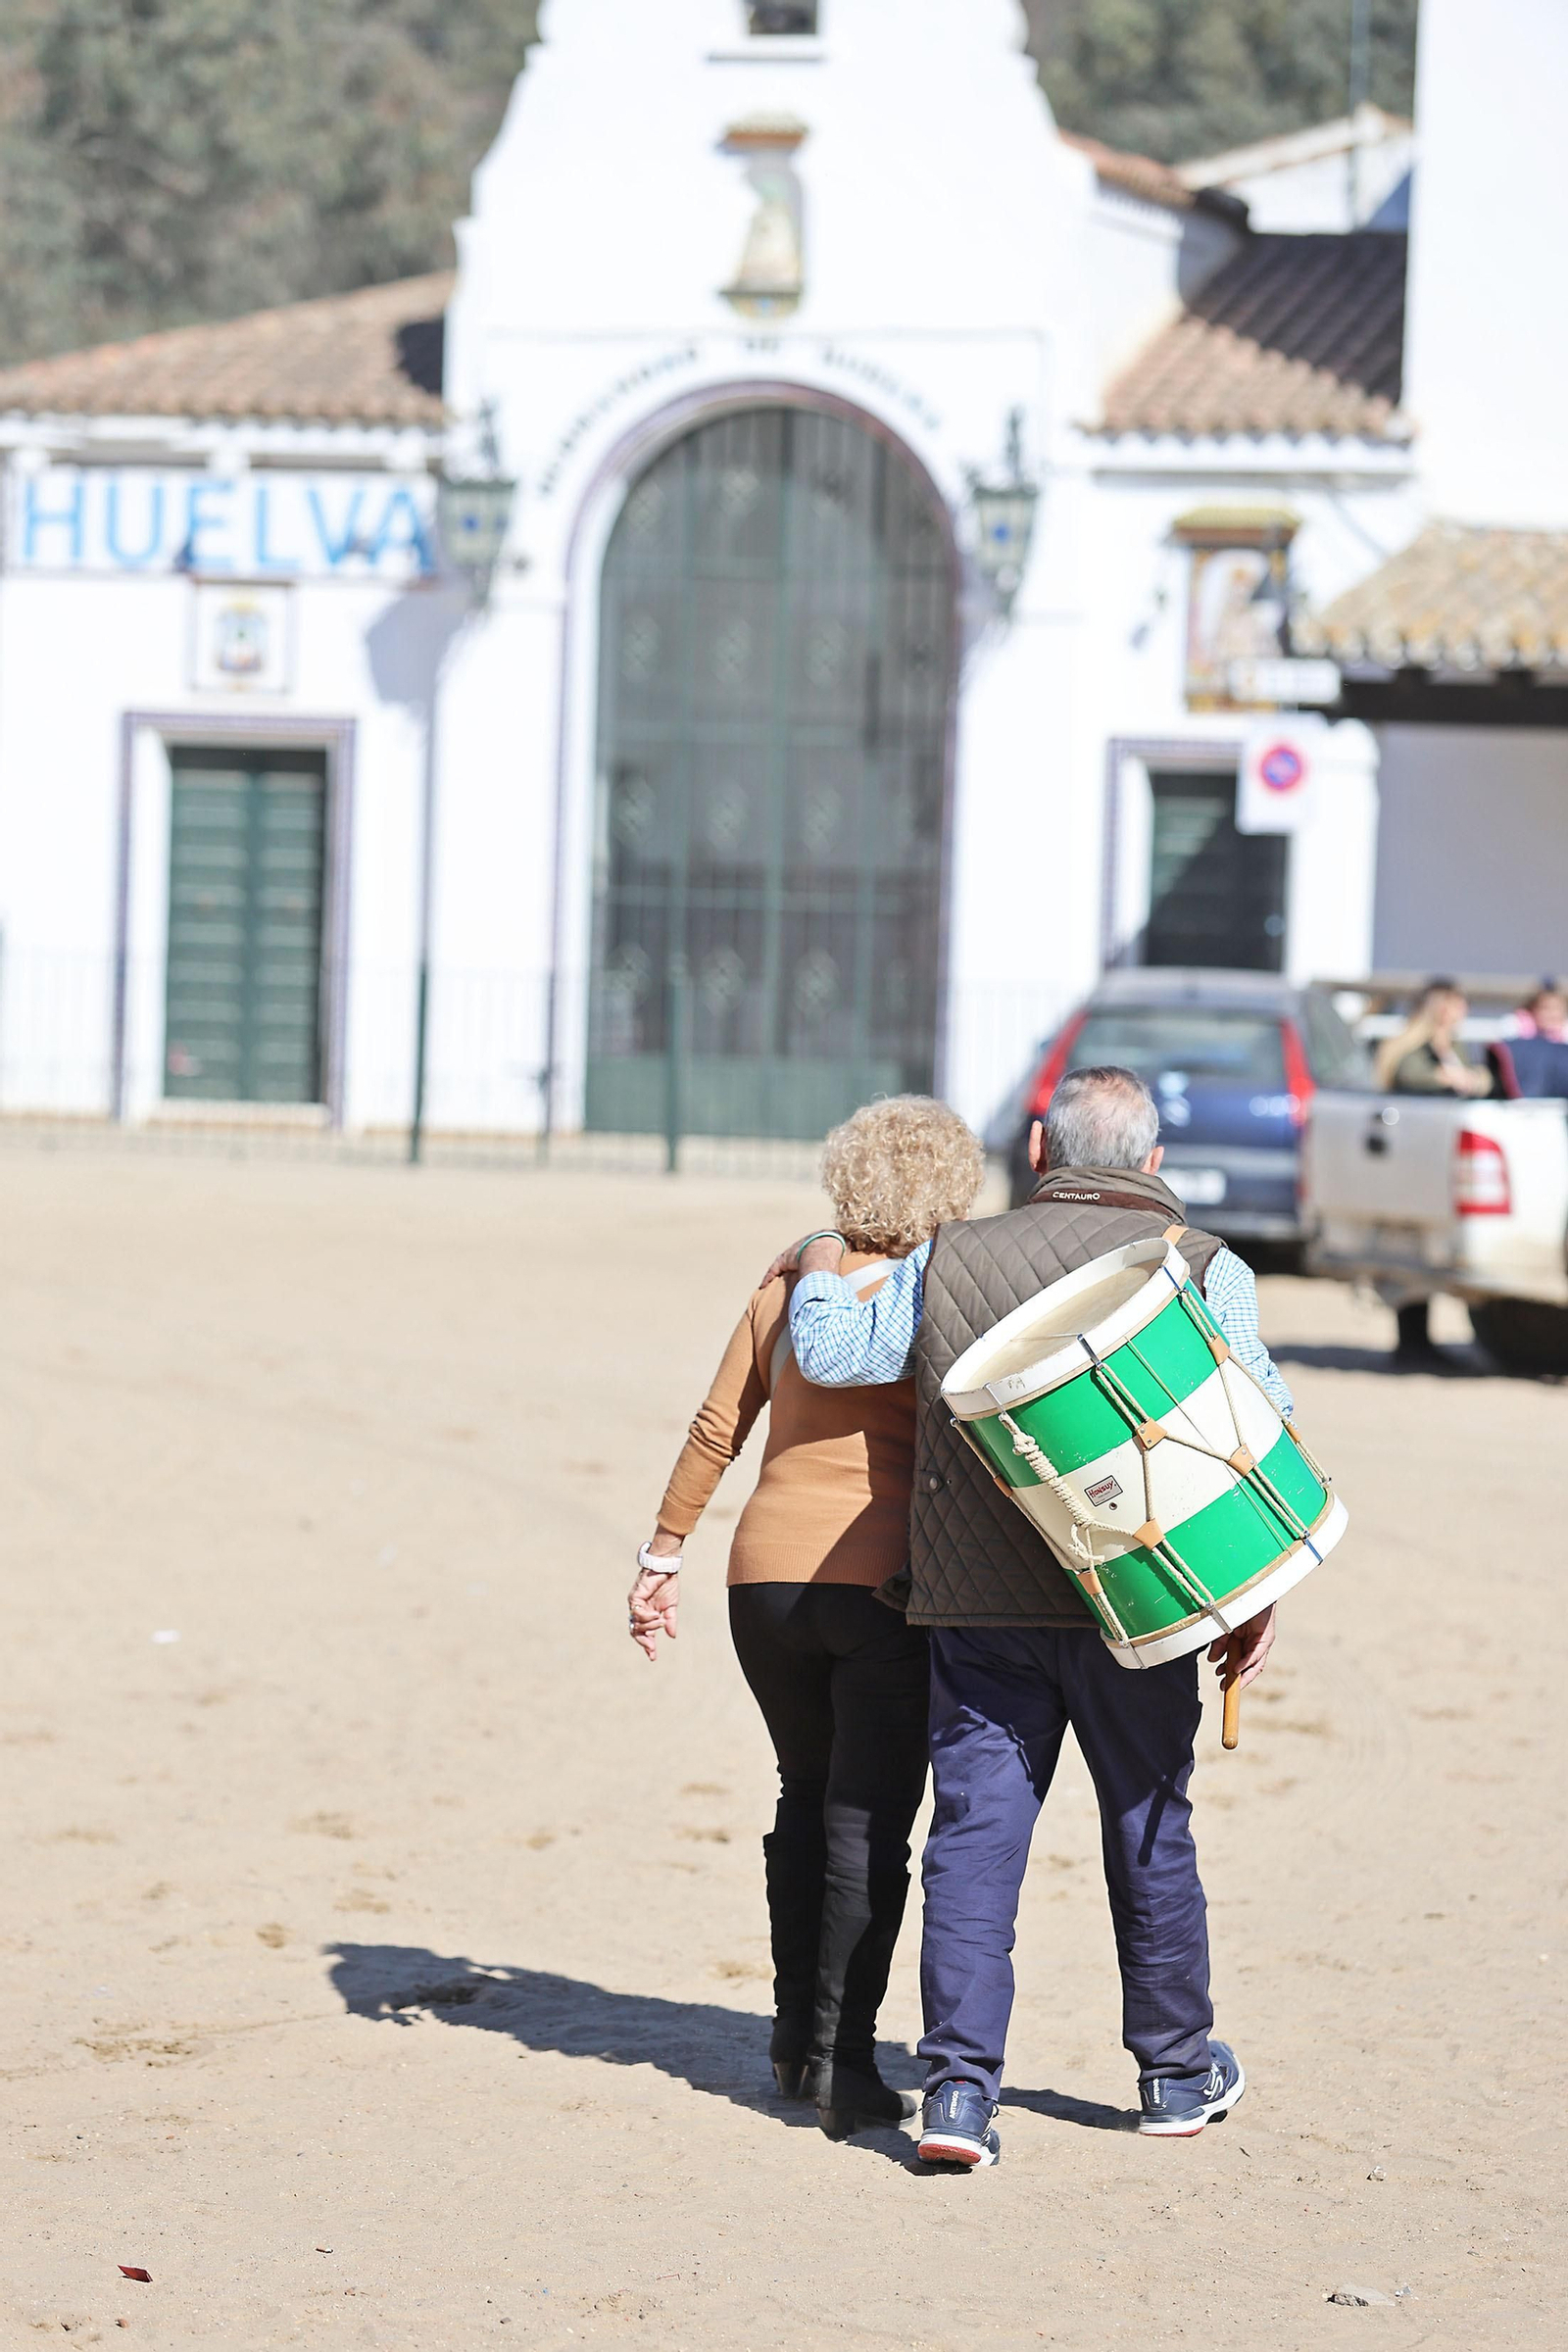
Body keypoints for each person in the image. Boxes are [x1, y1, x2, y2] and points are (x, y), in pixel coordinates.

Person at [775, 1066, 1293, 2164]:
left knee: (972, 1844)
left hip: (976, 1606)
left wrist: (821, 1259)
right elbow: (1256, 1428)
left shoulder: (950, 1256)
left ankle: (957, 2094)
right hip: (1141, 1600)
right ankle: (1173, 2069)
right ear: (1151, 1164)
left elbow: (833, 1354)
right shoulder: (1203, 1265)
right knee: (1149, 1829)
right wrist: (1255, 1597)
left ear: (1046, 1158)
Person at [628, 1095, 986, 2140]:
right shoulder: (942, 1293)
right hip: (881, 1585)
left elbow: (716, 1426)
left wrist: (662, 1552)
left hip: (763, 1583)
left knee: (804, 1791)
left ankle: (792, 2038)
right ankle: (844, 2060)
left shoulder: (789, 1282)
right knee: (866, 1825)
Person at [1372, 980, 1492, 1368]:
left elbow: (1479, 1079)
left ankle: (1419, 1340)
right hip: (1408, 1161)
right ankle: (1411, 1343)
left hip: (1434, 1162)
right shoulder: (1412, 1047)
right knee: (1408, 1255)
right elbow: (1408, 1075)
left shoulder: (1451, 1047)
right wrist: (1446, 1077)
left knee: (1427, 1256)